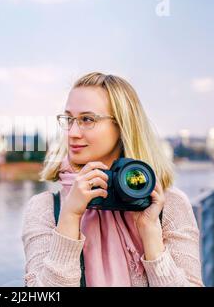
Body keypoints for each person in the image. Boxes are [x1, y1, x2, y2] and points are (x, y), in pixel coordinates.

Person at [21, 72, 203, 287]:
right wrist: (70, 217)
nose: (72, 132)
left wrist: (151, 234)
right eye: (69, 119)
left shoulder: (168, 205)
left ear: (122, 125)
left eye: (87, 119)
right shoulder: (46, 208)